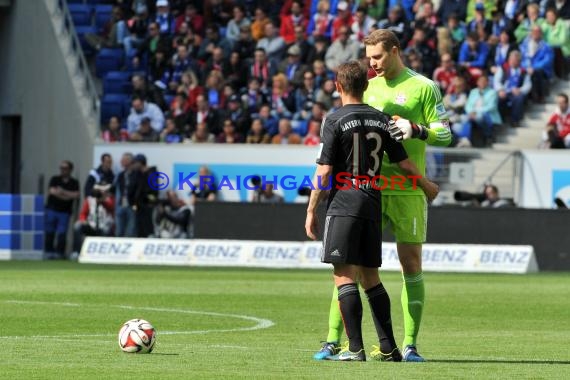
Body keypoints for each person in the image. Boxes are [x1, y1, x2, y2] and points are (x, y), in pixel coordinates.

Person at [314, 29, 452, 363]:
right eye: (369, 57)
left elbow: (446, 134)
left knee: (411, 264)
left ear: (394, 50)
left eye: (377, 56)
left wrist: (417, 129)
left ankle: (409, 344)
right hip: (367, 190)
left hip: (406, 189)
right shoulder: (365, 86)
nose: (372, 63)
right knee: (349, 267)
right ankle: (335, 340)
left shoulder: (424, 87)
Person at [44, 161, 80, 260]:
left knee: (62, 233)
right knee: (49, 232)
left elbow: (76, 195)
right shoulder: (55, 179)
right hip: (52, 209)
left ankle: (60, 253)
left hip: (65, 212)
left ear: (70, 170)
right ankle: (48, 252)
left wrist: (62, 192)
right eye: (61, 168)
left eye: (65, 168)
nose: (63, 170)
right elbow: (52, 191)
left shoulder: (74, 182)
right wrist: (67, 196)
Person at [72, 182, 115, 255]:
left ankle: (103, 253)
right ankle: (77, 252)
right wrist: (83, 220)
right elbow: (83, 214)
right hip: (91, 225)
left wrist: (102, 201)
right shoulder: (89, 200)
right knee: (77, 226)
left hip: (103, 227)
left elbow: (111, 208)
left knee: (106, 229)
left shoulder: (110, 199)